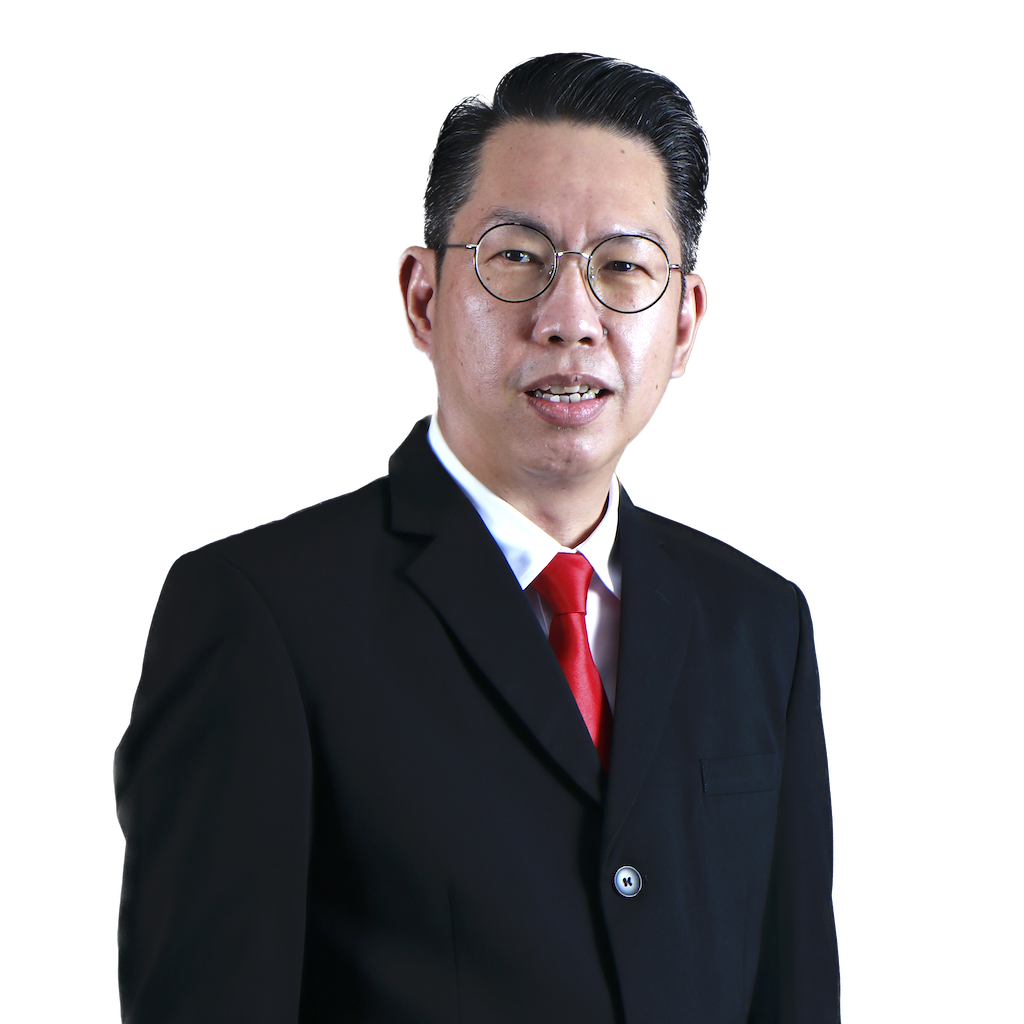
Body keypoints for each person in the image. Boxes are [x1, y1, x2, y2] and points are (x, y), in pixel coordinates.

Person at [114, 52, 839, 1022]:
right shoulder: (259, 615)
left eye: (623, 267)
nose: (570, 320)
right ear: (421, 300)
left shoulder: (760, 622)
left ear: (684, 325)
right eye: (518, 258)